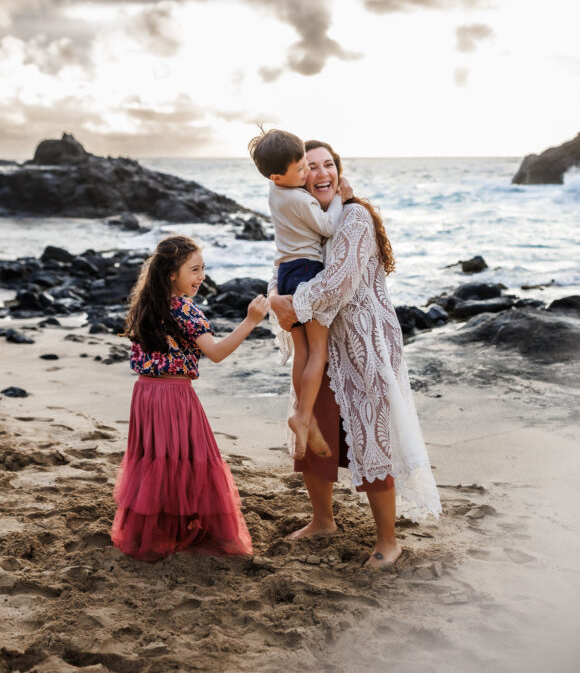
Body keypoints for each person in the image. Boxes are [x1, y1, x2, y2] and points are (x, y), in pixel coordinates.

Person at [270, 140, 442, 568]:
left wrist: (292, 302)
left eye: (330, 164)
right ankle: (323, 520)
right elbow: (283, 268)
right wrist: (277, 295)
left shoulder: (355, 216)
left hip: (365, 345)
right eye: (312, 166)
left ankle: (388, 541)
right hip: (323, 346)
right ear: (298, 176)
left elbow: (341, 280)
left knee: (372, 435)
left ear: (340, 172)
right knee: (315, 428)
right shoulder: (306, 218)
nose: (322, 172)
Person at [111, 235, 270, 561]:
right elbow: (216, 352)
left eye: (203, 269)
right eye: (194, 270)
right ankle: (191, 534)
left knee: (156, 461)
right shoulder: (183, 309)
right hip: (174, 397)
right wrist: (251, 321)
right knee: (190, 462)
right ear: (172, 273)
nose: (201, 277)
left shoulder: (147, 303)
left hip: (145, 394)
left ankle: (155, 533)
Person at [248, 128, 344, 461]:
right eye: (302, 169)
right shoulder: (301, 199)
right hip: (307, 270)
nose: (306, 175)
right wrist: (342, 196)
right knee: (319, 351)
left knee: (301, 351)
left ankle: (304, 416)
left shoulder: (275, 191)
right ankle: (304, 417)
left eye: (307, 165)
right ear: (278, 174)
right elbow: (329, 227)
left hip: (287, 273)